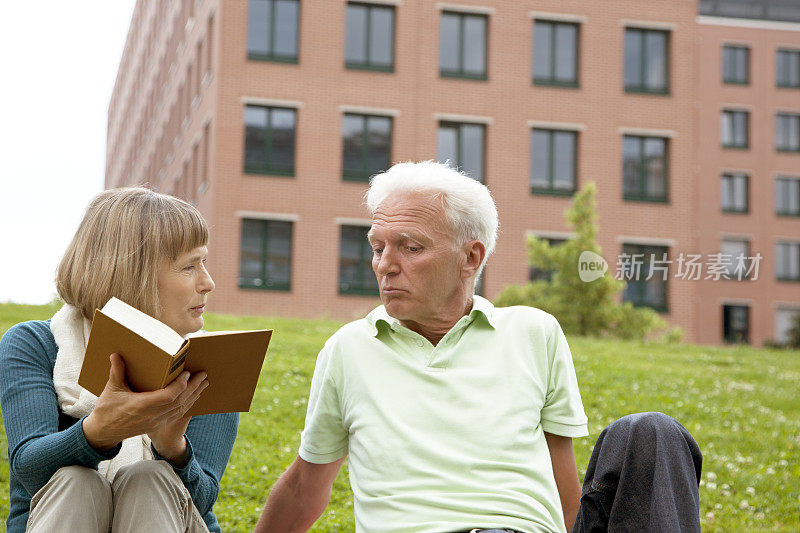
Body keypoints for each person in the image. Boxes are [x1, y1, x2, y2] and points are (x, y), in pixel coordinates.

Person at [255, 161, 702, 533]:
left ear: (470, 257)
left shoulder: (534, 333)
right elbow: (303, 489)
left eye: (410, 248)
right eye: (377, 247)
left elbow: (561, 485)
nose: (384, 265)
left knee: (651, 432)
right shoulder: (348, 350)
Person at [0, 188, 238, 533]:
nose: (208, 282)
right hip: (59, 516)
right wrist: (100, 430)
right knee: (75, 482)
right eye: (189, 267)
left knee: (149, 478)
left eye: (204, 262)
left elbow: (202, 502)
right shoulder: (34, 343)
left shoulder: (208, 361)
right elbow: (30, 470)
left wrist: (172, 447)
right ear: (132, 274)